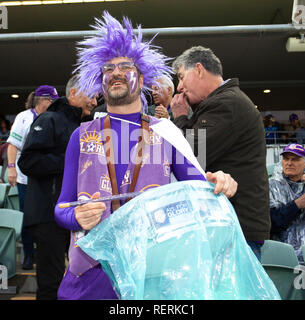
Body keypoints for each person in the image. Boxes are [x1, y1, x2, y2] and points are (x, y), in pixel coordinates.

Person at [54, 12, 238, 300]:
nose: (115, 72)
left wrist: (221, 181)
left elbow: (201, 189)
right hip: (90, 277)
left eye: (125, 66)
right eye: (108, 68)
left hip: (150, 275)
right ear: (100, 81)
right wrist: (75, 215)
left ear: (141, 79)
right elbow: (61, 207)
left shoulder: (167, 132)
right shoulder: (81, 135)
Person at [170, 46, 270, 261]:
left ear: (198, 69)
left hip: (235, 229)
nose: (179, 88)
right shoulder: (224, 101)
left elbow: (192, 156)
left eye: (180, 77)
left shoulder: (227, 103)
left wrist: (180, 117)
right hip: (232, 226)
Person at [17, 76, 97, 300]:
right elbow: (28, 161)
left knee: (80, 280)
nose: (94, 100)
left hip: (76, 215)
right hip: (48, 214)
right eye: (90, 95)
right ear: (72, 94)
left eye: (95, 95)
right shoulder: (50, 119)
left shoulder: (87, 126)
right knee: (50, 283)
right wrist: (71, 160)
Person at [7, 85, 59, 270]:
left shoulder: (55, 117)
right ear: (43, 100)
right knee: (28, 218)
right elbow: (12, 145)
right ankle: (29, 254)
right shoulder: (24, 117)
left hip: (49, 180)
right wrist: (11, 168)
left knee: (50, 218)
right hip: (25, 178)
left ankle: (49, 254)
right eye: (52, 100)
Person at [269, 143, 305, 263]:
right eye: (286, 158)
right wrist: (298, 204)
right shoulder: (272, 185)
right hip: (281, 257)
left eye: (295, 159)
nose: (289, 163)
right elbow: (272, 222)